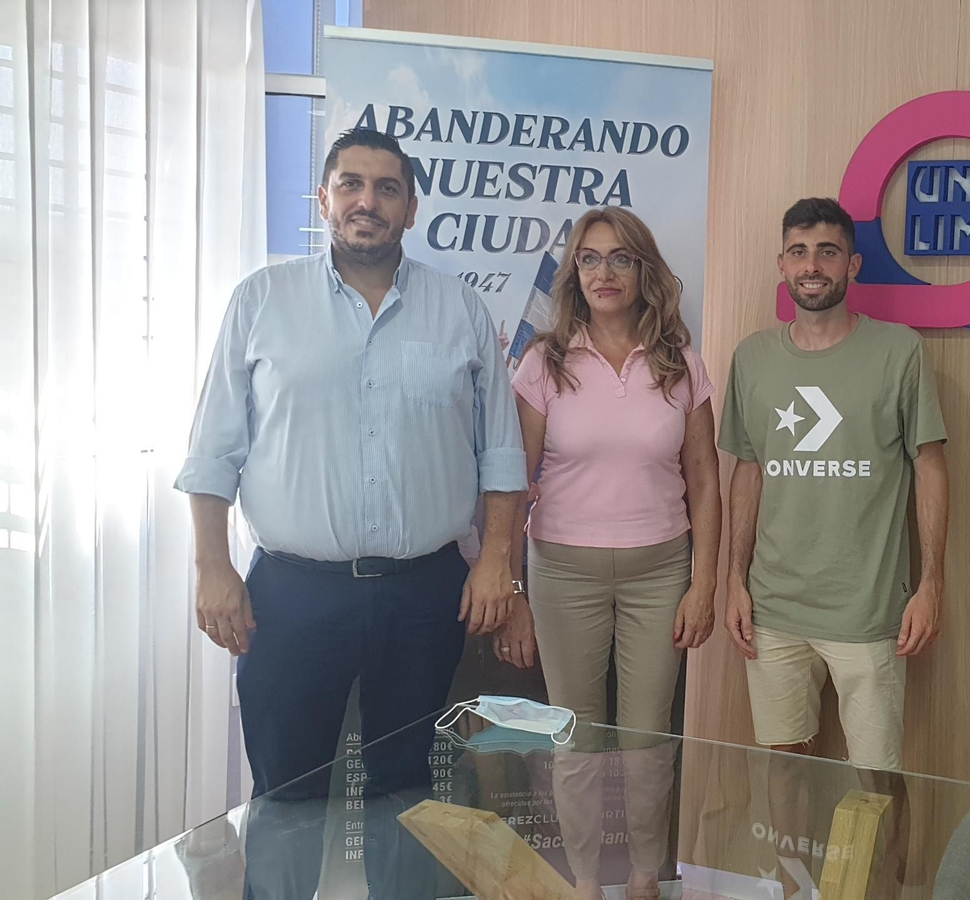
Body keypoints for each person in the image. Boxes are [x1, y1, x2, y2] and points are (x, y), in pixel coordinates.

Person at [175, 127, 527, 899]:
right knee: (289, 790)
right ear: (325, 198)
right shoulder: (261, 300)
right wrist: (212, 566)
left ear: (410, 207)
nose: (368, 201)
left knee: (407, 788)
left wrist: (498, 559)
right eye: (352, 184)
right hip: (294, 592)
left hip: (425, 589)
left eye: (387, 187)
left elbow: (501, 454)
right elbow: (213, 453)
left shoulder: (461, 309)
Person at [498, 207, 720, 900]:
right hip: (563, 572)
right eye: (589, 259)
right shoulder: (543, 362)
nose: (604, 272)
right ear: (574, 274)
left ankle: (648, 880)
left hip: (662, 571)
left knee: (650, 739)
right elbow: (515, 484)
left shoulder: (680, 364)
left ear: (643, 270)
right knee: (578, 737)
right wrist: (513, 595)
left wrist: (704, 583)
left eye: (620, 258)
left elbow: (708, 484)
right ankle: (588, 883)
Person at [720, 196, 950, 770]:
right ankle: (788, 868)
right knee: (783, 776)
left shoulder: (899, 351)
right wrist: (734, 580)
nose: (812, 265)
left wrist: (931, 584)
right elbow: (747, 472)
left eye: (828, 251)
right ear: (782, 265)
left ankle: (883, 868)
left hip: (868, 614)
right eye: (798, 252)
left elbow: (930, 466)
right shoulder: (752, 358)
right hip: (773, 611)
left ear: (853, 265)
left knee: (879, 785)